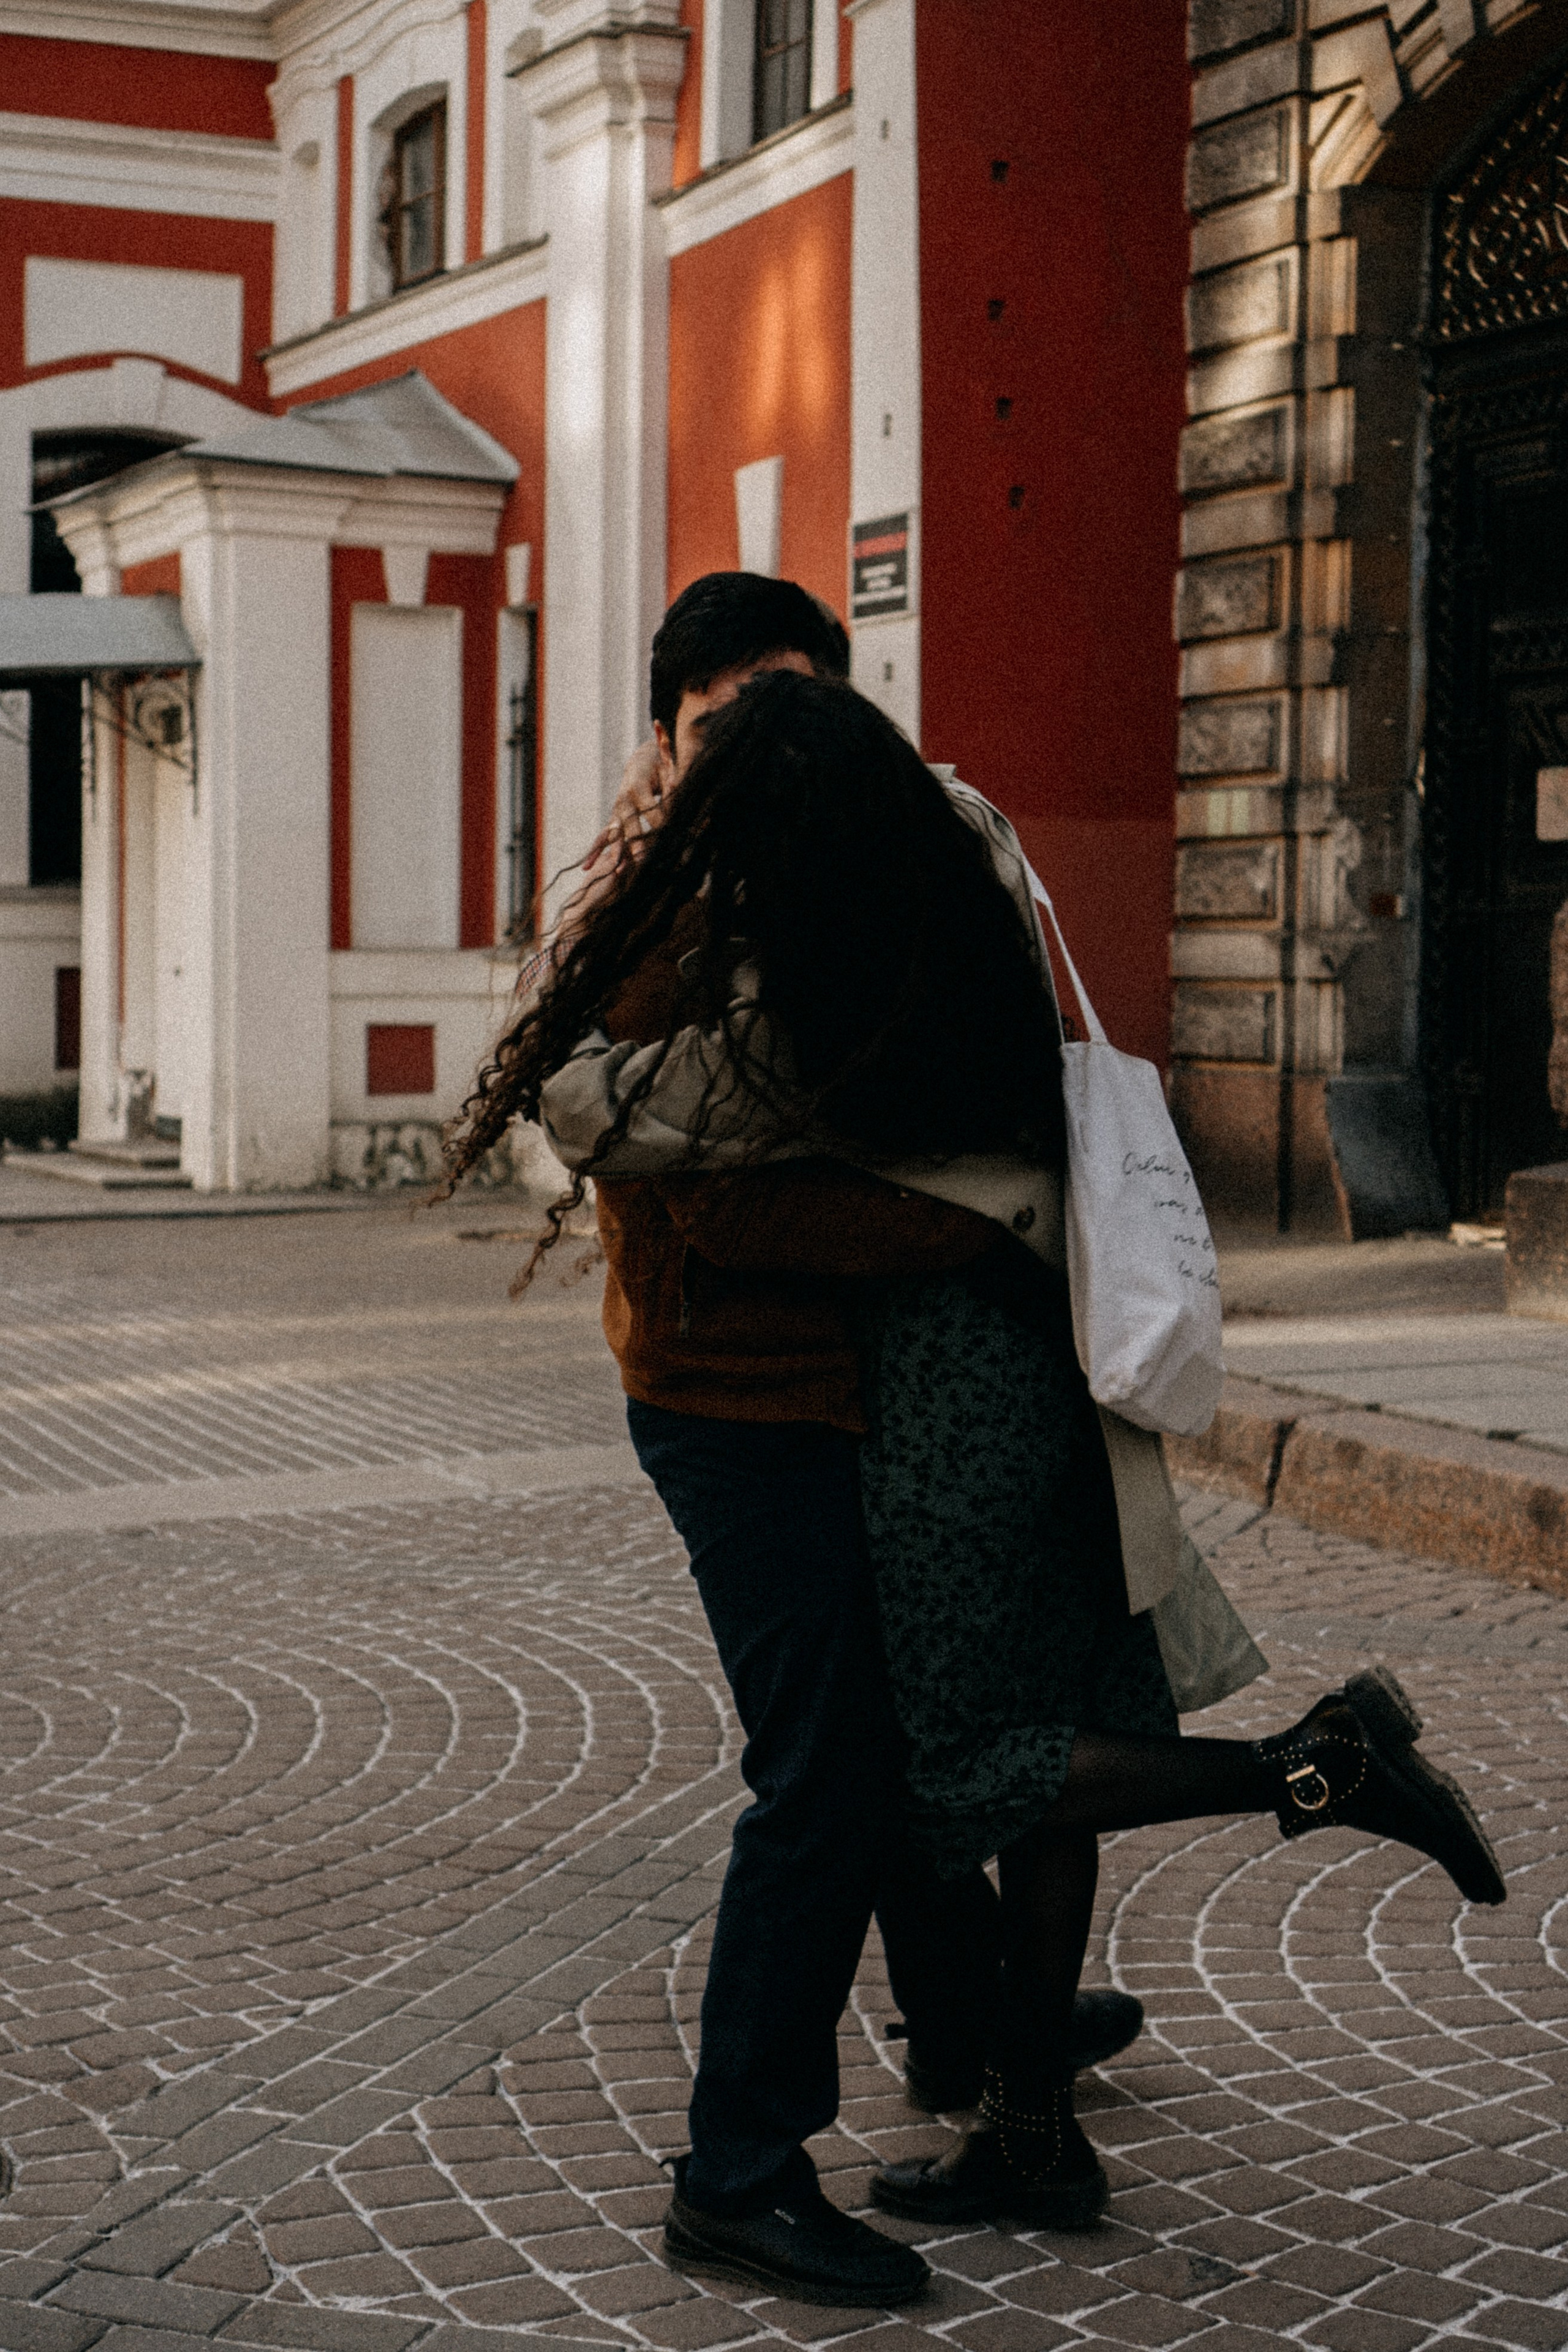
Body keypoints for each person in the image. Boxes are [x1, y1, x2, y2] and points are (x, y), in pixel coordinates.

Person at [453, 670, 1507, 2253]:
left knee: (968, 1768)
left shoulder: (815, 999)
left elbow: (603, 1109)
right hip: (1051, 1363)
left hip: (947, 1400)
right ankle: (1032, 2136)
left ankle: (1317, 1765)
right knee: (1059, 1728)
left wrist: (605, 989)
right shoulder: (949, 901)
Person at [448, 576, 1141, 2309]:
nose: (760, 748)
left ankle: (973, 2026)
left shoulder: (841, 866)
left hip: (838, 1389)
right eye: (723, 721)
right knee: (823, 1772)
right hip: (731, 1396)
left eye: (793, 708)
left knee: (881, 1730)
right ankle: (740, 2167)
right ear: (669, 732)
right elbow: (727, 1215)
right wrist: (966, 1234)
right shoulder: (662, 904)